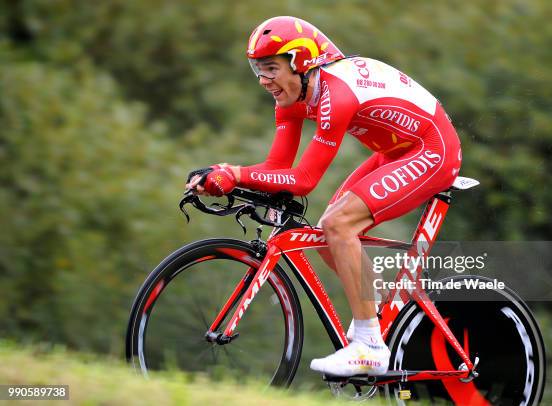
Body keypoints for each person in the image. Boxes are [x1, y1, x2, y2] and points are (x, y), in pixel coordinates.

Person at [187, 16, 462, 377]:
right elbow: (277, 165)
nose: (263, 80)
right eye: (258, 69)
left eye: (271, 68)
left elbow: (302, 180)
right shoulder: (291, 96)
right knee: (324, 235)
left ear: (301, 63)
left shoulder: (336, 93)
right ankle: (378, 317)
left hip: (432, 150)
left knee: (338, 224)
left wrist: (235, 173)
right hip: (395, 152)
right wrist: (227, 178)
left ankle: (369, 346)